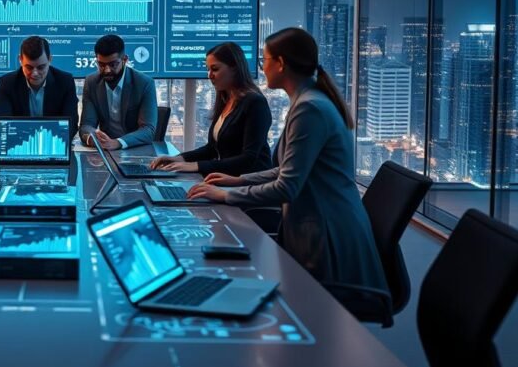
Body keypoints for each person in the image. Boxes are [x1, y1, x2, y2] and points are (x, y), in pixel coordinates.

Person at [188, 28, 387, 292]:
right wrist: (239, 179)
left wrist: (226, 195)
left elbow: (287, 187)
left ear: (280, 64)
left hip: (327, 239)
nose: (262, 67)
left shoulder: (309, 108)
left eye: (265, 60)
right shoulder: (308, 101)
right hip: (315, 231)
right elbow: (286, 170)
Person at [150, 42, 271, 175]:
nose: (209, 75)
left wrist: (196, 166)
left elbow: (248, 159)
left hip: (250, 183)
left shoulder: (255, 102)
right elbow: (212, 149)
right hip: (227, 178)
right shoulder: (226, 100)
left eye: (215, 69)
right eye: (208, 69)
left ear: (234, 68)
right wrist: (178, 158)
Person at [79, 34, 157, 150]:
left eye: (113, 64)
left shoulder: (144, 83)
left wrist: (117, 142)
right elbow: (86, 125)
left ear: (124, 60)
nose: (107, 70)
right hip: (105, 150)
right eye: (101, 65)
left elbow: (148, 130)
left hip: (134, 149)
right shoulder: (91, 83)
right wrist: (93, 139)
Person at [0, 36, 79, 138]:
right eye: (29, 67)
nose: (35, 73)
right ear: (20, 60)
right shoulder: (8, 83)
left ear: (50, 59)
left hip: (52, 146)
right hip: (21, 146)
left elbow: (71, 127)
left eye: (41, 67)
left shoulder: (65, 82)